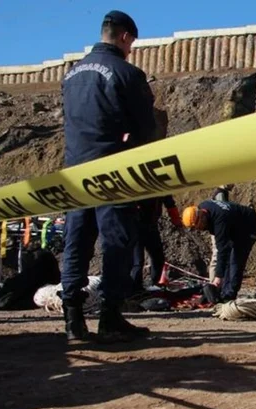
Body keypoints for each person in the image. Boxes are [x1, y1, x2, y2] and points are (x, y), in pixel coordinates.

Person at [59, 10, 155, 343]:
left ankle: (72, 319)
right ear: (125, 37)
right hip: (112, 171)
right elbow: (146, 130)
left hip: (75, 172)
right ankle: (110, 316)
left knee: (77, 241)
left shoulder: (71, 75)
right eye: (132, 43)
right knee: (116, 242)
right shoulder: (127, 73)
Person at [182, 200, 256, 302]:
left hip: (250, 226)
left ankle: (229, 296)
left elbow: (222, 251)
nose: (198, 229)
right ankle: (223, 292)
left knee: (236, 259)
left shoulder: (219, 221)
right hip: (235, 227)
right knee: (229, 259)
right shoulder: (203, 206)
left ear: (201, 216)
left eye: (197, 226)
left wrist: (218, 277)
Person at [130, 195, 182, 293]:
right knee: (137, 262)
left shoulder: (161, 190)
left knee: (158, 257)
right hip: (136, 227)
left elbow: (170, 203)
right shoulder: (142, 189)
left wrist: (176, 220)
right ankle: (135, 290)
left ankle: (155, 284)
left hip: (151, 226)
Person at [208, 184, 235, 282]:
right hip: (218, 230)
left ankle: (217, 282)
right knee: (217, 255)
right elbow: (223, 213)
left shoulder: (222, 193)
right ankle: (213, 283)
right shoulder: (220, 194)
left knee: (219, 255)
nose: (233, 184)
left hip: (218, 229)